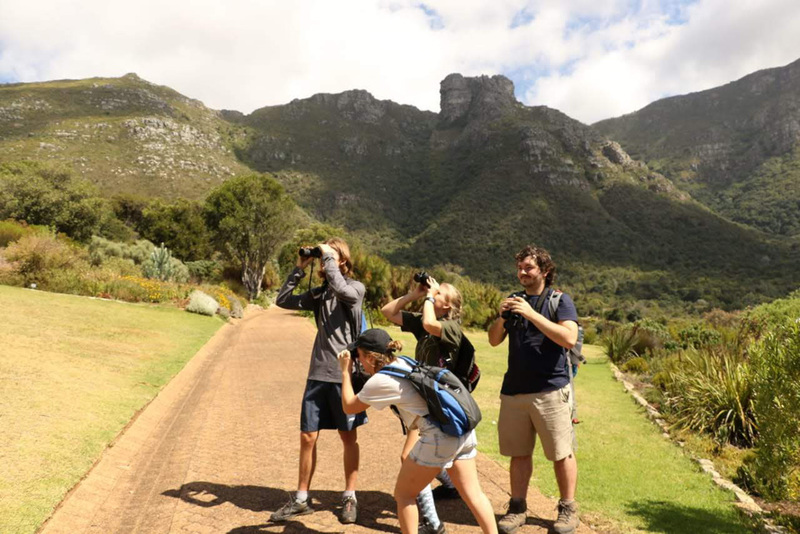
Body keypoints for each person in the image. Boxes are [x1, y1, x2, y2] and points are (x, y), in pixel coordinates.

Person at [338, 329, 498, 534]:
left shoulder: (379, 381)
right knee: (474, 494)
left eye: (359, 356)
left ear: (370, 357)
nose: (358, 360)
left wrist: (345, 372)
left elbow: (349, 406)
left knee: (404, 494)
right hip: (462, 430)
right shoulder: (404, 362)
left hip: (439, 436)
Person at [271, 238, 366, 524]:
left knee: (348, 437)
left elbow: (344, 292)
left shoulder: (355, 288)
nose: (324, 262)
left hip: (344, 376)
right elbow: (282, 300)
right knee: (307, 437)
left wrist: (328, 257)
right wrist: (300, 268)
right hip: (317, 374)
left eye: (332, 257)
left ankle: (350, 495)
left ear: (343, 261)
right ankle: (301, 499)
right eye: (323, 258)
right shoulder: (320, 293)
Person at [487, 245, 580, 534]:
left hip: (551, 390)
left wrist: (531, 313)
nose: (522, 273)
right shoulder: (514, 302)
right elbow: (492, 340)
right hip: (514, 391)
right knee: (519, 453)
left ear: (545, 271)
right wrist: (503, 315)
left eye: (528, 267)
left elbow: (569, 337)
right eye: (520, 268)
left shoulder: (560, 301)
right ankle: (517, 508)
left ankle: (568, 508)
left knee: (561, 453)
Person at [381, 276, 464, 533]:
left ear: (448, 307)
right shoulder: (425, 324)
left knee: (410, 456)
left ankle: (431, 521)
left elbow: (429, 323)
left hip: (439, 403)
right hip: (423, 399)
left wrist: (428, 297)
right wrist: (414, 295)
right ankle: (450, 486)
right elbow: (387, 312)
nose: (433, 294)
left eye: (439, 294)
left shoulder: (451, 327)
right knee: (451, 460)